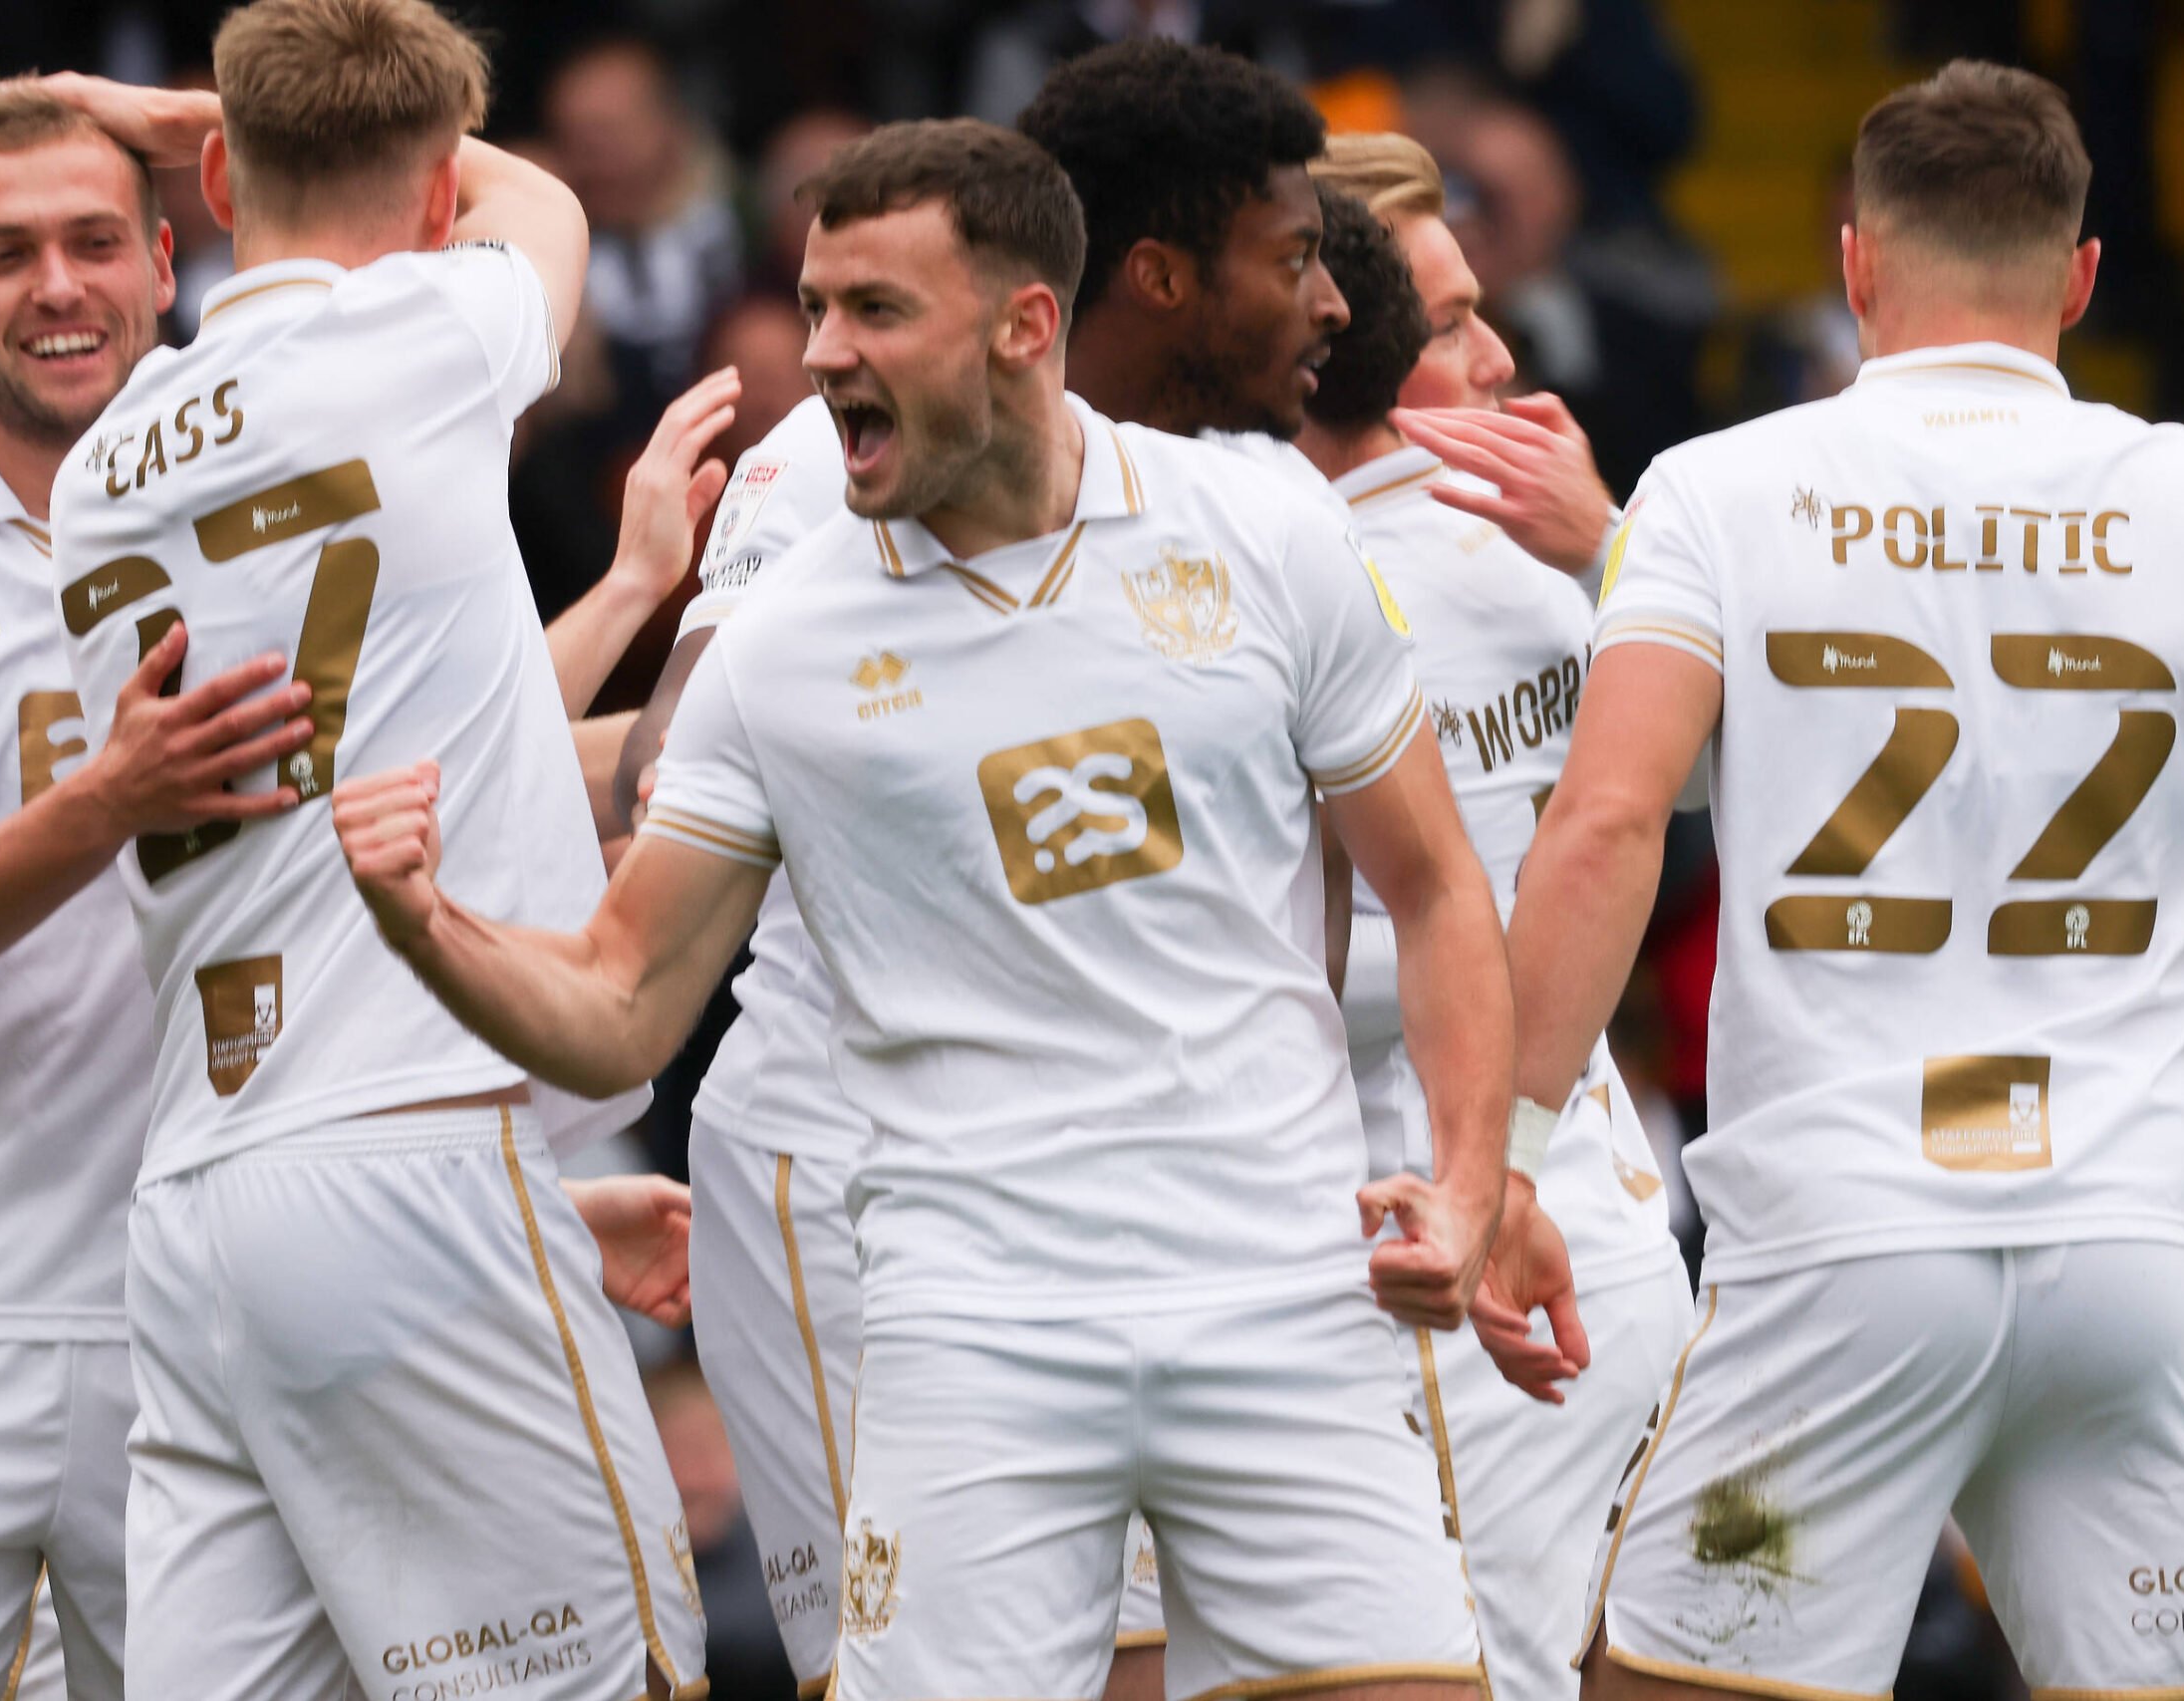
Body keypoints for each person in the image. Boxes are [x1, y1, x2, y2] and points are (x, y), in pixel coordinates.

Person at [336, 117, 1505, 1701]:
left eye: (875, 310)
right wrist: (429, 923)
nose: (824, 352)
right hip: (975, 1340)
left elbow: (1434, 886)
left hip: (1283, 1297)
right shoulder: (784, 643)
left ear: (1027, 324)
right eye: (816, 306)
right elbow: (619, 1005)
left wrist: (1472, 1181)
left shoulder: (1262, 526)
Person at [1508, 60, 2184, 1701]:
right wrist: (2179, 952)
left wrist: (1500, 1158)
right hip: (2135, 1267)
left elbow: (1607, 828)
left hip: (1845, 1268)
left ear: (1856, 262)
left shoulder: (1722, 489)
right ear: (2082, 276)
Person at [0, 73, 712, 1701]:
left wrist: (623, 607)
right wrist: (107, 800)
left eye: (94, 240)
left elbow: (401, 756)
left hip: (206, 1239)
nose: (58, 286)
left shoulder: (147, 479)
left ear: (172, 245)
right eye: (4, 253)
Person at [604, 43, 1370, 1699]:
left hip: (1127, 1202)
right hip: (848, 1161)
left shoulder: (1228, 509)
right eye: (1294, 257)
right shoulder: (834, 463)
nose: (1332, 304)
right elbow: (674, 749)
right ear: (1155, 277)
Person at [1296, 155, 1694, 1701]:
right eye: (1451, 323)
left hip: (1450, 1258)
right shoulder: (1567, 561)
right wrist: (1620, 551)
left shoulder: (1289, 593)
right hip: (1594, 1228)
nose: (1499, 358)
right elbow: (1748, 767)